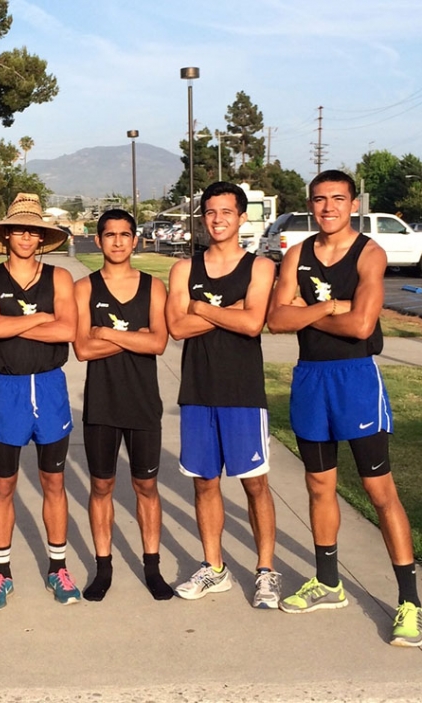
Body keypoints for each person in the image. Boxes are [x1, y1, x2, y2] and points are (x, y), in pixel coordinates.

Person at [268, 169, 422, 646]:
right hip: (311, 379)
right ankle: (328, 582)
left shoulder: (369, 254)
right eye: (319, 200)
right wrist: (329, 307)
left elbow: (361, 327)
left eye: (338, 198)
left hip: (355, 379)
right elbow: (276, 319)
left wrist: (309, 312)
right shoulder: (296, 253)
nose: (328, 207)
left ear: (353, 204)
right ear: (310, 205)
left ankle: (410, 602)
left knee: (380, 491)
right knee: (319, 485)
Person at [165, 181, 280, 608]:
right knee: (205, 484)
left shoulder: (260, 267)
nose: (217, 220)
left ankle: (266, 570)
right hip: (197, 391)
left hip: (243, 392)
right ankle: (215, 568)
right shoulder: (184, 270)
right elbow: (177, 327)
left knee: (255, 485)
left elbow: (254, 324)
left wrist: (201, 308)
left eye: (226, 212)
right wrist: (229, 312)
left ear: (241, 217)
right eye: (210, 212)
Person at [0, 192, 81, 608]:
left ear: (41, 237)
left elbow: (68, 330)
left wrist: (15, 324)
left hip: (50, 386)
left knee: (54, 481)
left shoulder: (58, 278)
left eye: (32, 230)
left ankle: (58, 567)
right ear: (6, 234)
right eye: (18, 228)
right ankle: (1, 571)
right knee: (4, 484)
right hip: (8, 389)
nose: (25, 236)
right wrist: (40, 318)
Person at [72, 209, 174, 602]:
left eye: (124, 235)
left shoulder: (153, 287)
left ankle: (152, 566)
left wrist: (107, 331)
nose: (117, 241)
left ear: (136, 241)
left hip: (143, 402)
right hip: (101, 403)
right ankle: (103, 567)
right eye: (109, 235)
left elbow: (159, 343)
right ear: (97, 241)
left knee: (145, 485)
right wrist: (135, 334)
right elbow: (82, 349)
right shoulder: (85, 289)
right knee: (102, 485)